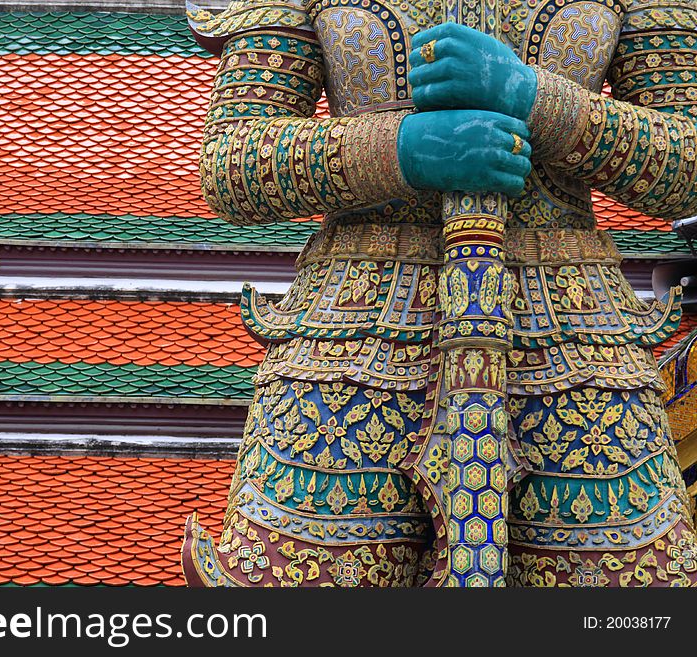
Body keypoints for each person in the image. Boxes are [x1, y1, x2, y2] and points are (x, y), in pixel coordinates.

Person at [181, 0, 697, 586]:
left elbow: (689, 165)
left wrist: (533, 97)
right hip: (349, 344)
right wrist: (401, 147)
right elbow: (232, 163)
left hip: (577, 343)